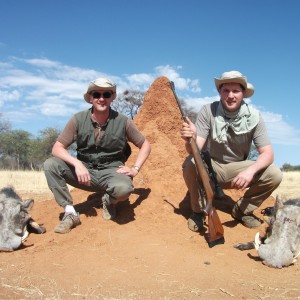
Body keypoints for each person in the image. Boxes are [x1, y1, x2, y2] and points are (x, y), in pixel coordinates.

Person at [44, 78, 151, 234]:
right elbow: (57, 148)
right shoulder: (78, 119)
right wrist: (77, 164)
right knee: (50, 165)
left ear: (112, 97)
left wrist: (135, 169)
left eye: (106, 94)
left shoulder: (123, 121)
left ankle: (109, 201)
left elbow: (145, 145)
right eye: (96, 94)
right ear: (90, 98)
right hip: (85, 173)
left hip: (112, 171)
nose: (101, 99)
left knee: (124, 189)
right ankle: (70, 213)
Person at [180, 70, 282, 231]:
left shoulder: (255, 117)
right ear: (220, 92)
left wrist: (250, 171)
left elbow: (268, 154)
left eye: (236, 91)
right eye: (226, 90)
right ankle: (198, 212)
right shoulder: (208, 111)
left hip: (238, 170)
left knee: (274, 174)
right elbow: (195, 150)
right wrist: (190, 139)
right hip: (211, 167)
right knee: (190, 162)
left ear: (243, 93)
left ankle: (241, 210)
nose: (231, 95)